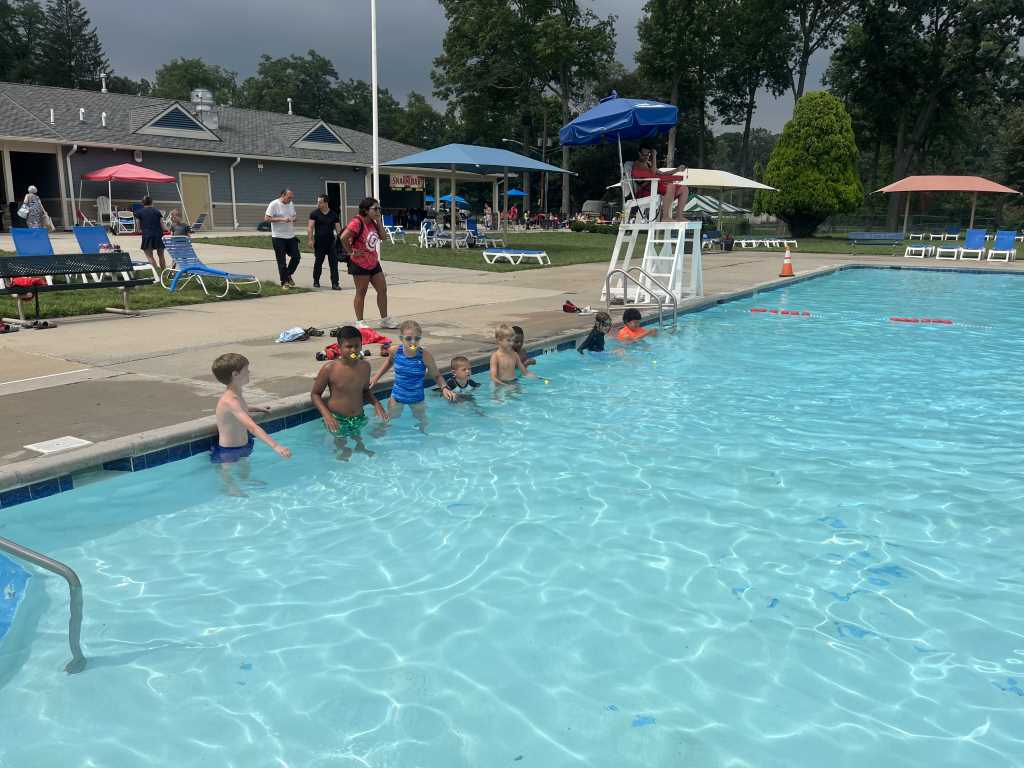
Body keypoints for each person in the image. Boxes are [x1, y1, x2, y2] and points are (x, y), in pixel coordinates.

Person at [210, 353, 291, 495]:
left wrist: (256, 408)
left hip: (244, 444)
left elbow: (240, 408)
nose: (249, 372)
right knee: (226, 471)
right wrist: (276, 446)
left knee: (244, 465)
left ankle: (245, 480)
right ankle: (230, 488)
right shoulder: (230, 400)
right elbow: (252, 427)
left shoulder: (236, 394)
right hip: (228, 449)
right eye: (246, 370)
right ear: (235, 374)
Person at [311, 325, 387, 460]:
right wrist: (327, 415)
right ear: (339, 347)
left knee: (357, 435)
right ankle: (343, 449)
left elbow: (365, 390)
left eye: (357, 346)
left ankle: (360, 446)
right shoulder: (330, 368)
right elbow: (315, 394)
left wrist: (376, 403)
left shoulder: (365, 366)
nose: (354, 350)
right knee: (340, 439)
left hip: (358, 416)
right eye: (349, 346)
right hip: (337, 418)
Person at [369, 320, 455, 431]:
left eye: (417, 338)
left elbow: (436, 375)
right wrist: (375, 378)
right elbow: (389, 362)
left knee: (422, 421)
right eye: (408, 338)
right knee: (389, 420)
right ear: (401, 338)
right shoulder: (395, 351)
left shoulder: (425, 356)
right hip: (397, 396)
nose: (413, 342)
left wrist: (444, 387)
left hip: (417, 398)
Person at [340, 196, 397, 329]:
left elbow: (383, 237)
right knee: (361, 292)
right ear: (365, 210)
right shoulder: (357, 222)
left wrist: (379, 221)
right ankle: (360, 321)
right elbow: (343, 237)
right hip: (359, 263)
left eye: (379, 208)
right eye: (375, 209)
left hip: (373, 262)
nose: (378, 211)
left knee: (382, 289)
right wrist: (351, 252)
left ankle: (384, 319)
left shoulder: (373, 222)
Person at [630, 144, 688, 222]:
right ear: (639, 154)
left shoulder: (649, 163)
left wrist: (677, 170)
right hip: (645, 191)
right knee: (670, 186)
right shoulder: (637, 164)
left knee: (684, 189)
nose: (646, 157)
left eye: (648, 154)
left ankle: (679, 216)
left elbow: (662, 174)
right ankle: (665, 217)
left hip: (655, 187)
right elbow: (653, 172)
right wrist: (654, 157)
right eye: (644, 155)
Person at [265, 189, 300, 289]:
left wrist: (293, 219)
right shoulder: (274, 204)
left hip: (291, 236)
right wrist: (282, 219)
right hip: (278, 237)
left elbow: (294, 216)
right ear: (283, 195)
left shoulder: (291, 204)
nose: (291, 199)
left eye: (291, 197)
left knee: (296, 257)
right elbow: (267, 218)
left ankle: (288, 275)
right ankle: (284, 282)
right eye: (289, 197)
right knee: (282, 261)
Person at [307, 194, 342, 290]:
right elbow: (310, 227)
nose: (318, 204)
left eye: (320, 202)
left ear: (326, 203)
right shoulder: (314, 214)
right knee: (318, 262)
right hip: (319, 242)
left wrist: (341, 241)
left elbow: (338, 230)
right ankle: (316, 280)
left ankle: (335, 283)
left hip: (331, 243)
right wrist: (310, 239)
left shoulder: (333, 214)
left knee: (334, 264)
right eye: (318, 202)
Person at [134, 196, 167, 275]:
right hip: (158, 235)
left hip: (147, 235)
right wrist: (167, 230)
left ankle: (157, 273)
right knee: (161, 255)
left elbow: (138, 226)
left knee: (149, 256)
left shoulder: (139, 212)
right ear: (152, 202)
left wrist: (139, 230)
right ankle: (164, 273)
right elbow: (162, 225)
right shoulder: (157, 212)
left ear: (142, 203)